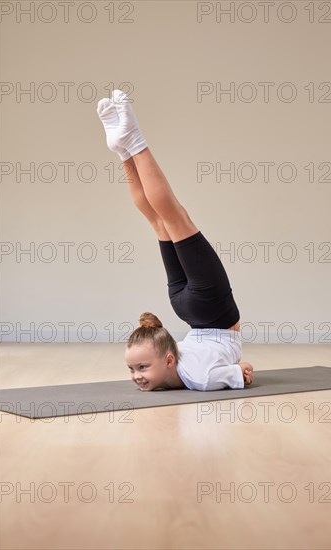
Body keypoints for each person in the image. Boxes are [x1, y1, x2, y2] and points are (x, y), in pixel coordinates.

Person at [97, 89, 254, 391]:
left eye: (139, 367)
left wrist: (239, 368)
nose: (137, 376)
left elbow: (245, 372)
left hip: (213, 314)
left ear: (170, 359)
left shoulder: (202, 380)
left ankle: (133, 142)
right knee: (159, 221)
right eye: (137, 368)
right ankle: (123, 153)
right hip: (184, 309)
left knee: (175, 218)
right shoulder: (177, 361)